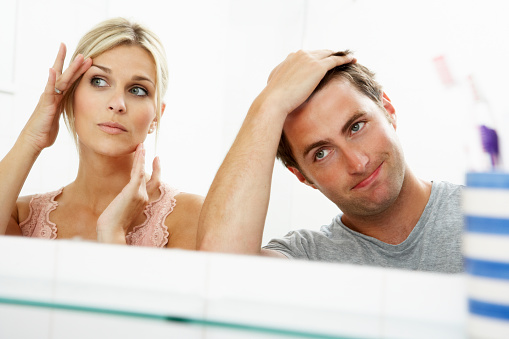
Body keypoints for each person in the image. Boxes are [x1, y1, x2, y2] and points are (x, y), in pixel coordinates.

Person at [197, 50, 463, 273]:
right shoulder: (308, 259)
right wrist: (269, 104)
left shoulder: (491, 211)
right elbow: (219, 271)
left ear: (388, 111)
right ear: (303, 176)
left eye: (357, 126)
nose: (357, 163)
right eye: (321, 153)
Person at [0, 17, 203, 248]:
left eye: (137, 90)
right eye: (98, 81)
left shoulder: (192, 217)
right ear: (70, 96)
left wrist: (113, 232)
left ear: (157, 115)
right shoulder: (18, 216)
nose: (117, 104)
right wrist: (31, 138)